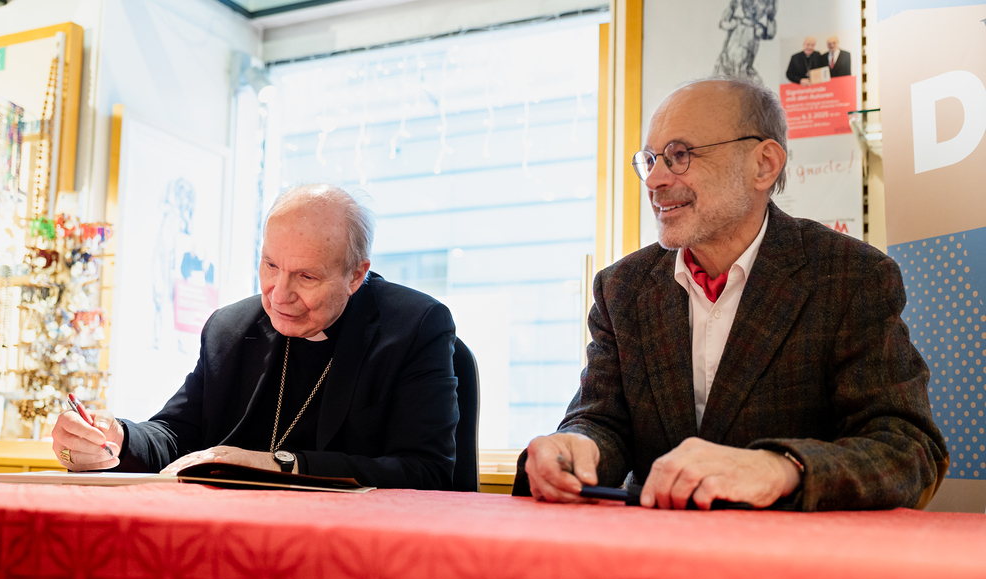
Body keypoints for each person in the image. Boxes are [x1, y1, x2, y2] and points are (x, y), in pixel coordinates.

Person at [514, 77, 948, 511]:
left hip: (789, 548)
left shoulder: (851, 276)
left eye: (679, 155)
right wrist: (577, 445)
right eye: (650, 160)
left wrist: (780, 467)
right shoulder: (622, 287)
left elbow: (908, 450)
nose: (655, 180)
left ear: (763, 165)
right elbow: (602, 421)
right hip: (653, 545)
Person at [52, 184, 460, 489]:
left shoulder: (414, 326)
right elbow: (176, 436)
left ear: (355, 275)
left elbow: (427, 472)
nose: (279, 295)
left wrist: (282, 464)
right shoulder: (230, 329)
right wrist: (117, 438)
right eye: (270, 266)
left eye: (306, 276)